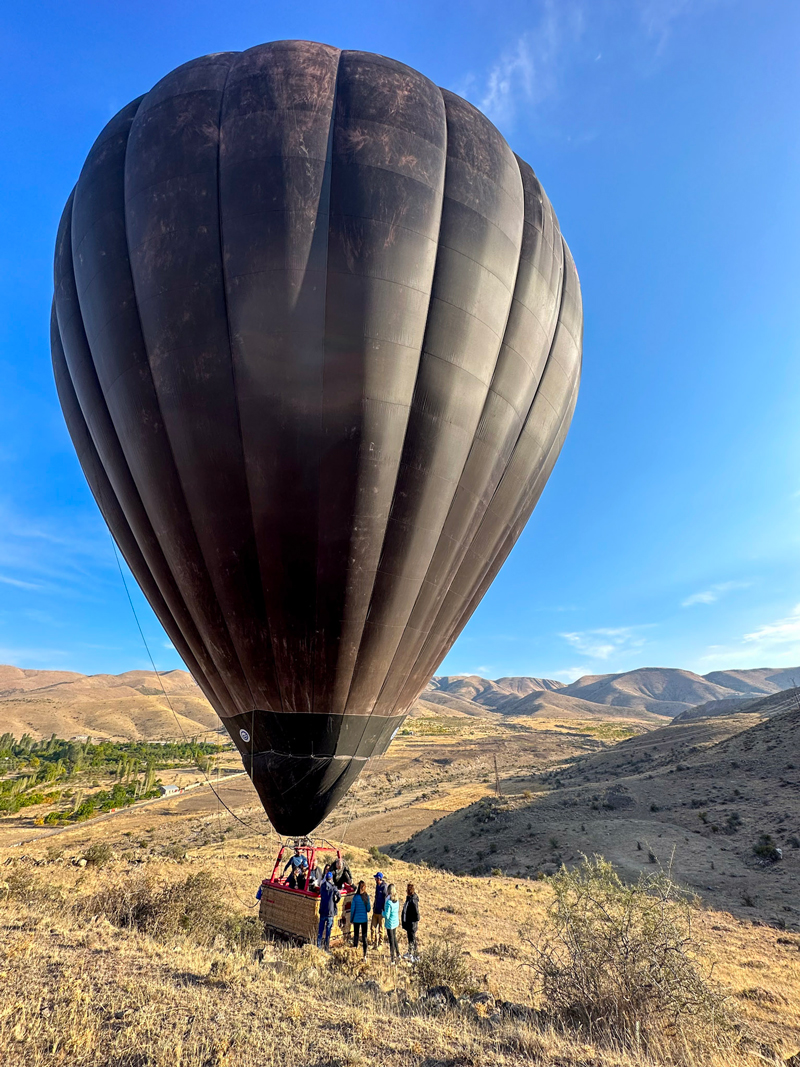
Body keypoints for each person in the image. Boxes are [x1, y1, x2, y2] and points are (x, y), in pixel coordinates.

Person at [316, 872, 341, 951]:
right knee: (328, 931)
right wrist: (335, 901)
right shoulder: (333, 887)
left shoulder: (322, 886)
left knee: (320, 929)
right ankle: (326, 948)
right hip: (330, 911)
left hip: (323, 910)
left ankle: (318, 946)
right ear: (331, 878)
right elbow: (339, 896)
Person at [350, 879, 371, 957]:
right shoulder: (366, 897)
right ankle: (364, 954)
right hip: (364, 920)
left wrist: (351, 919)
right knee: (364, 937)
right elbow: (368, 909)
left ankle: (355, 952)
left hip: (356, 919)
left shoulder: (355, 897)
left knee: (356, 936)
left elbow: (352, 909)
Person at [401, 882, 420, 960]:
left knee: (413, 940)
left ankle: (416, 956)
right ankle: (410, 953)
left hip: (411, 924)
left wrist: (413, 921)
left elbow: (417, 915)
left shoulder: (412, 900)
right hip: (409, 923)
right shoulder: (409, 898)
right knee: (410, 939)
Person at [383, 883, 400, 965]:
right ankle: (398, 954)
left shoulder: (388, 902)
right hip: (395, 921)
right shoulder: (396, 900)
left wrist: (382, 913)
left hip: (389, 923)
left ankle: (392, 959)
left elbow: (387, 915)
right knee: (394, 938)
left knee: (391, 941)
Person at [370, 871, 387, 948]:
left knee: (381, 928)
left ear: (379, 878)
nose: (375, 879)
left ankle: (380, 943)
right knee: (372, 928)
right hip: (375, 910)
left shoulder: (384, 887)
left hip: (381, 912)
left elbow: (385, 899)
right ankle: (373, 942)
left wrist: (384, 910)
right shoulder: (377, 886)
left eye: (376, 878)